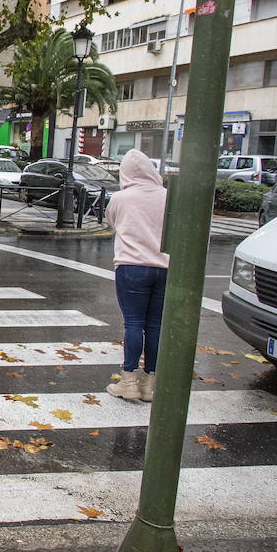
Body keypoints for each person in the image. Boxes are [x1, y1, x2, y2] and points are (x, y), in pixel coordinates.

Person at [105, 149, 170, 403]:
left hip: (130, 265)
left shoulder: (121, 198)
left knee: (133, 324)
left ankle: (128, 381)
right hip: (164, 267)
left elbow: (113, 222)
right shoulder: (167, 196)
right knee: (155, 326)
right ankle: (149, 384)